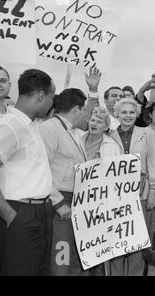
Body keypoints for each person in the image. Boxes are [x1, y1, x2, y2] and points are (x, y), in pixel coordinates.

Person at [40, 68, 101, 275]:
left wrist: (93, 91)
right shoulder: (49, 128)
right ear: (76, 109)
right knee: (61, 258)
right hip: (61, 204)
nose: (87, 114)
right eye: (84, 110)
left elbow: (92, 111)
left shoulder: (74, 131)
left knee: (76, 257)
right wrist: (58, 203)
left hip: (77, 202)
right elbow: (42, 170)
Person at [0, 69, 56, 275]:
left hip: (39, 212)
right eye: (51, 97)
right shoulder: (11, 125)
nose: (52, 103)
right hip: (20, 214)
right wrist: (9, 214)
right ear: (41, 96)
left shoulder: (29, 124)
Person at [109, 98, 155, 275]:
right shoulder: (108, 135)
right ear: (116, 114)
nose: (128, 116)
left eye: (131, 112)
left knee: (137, 242)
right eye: (124, 112)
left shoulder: (148, 134)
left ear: (137, 114)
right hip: (115, 199)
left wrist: (153, 191)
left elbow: (153, 163)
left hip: (142, 196)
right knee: (116, 242)